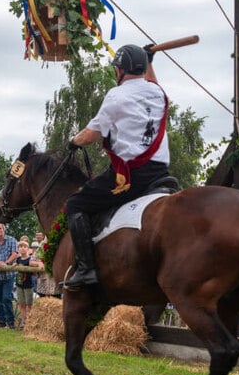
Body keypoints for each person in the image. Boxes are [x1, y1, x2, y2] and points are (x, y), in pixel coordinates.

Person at [63, 44, 172, 290]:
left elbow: (91, 134)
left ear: (120, 70)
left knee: (75, 204)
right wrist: (150, 61)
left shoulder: (116, 95)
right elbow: (152, 82)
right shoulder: (158, 94)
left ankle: (86, 270)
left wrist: (72, 142)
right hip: (160, 171)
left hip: (131, 176)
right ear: (143, 69)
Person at [14, 240, 40, 328]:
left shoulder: (30, 259)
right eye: (20, 247)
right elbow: (15, 265)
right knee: (22, 304)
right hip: (19, 283)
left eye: (24, 247)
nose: (22, 248)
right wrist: (14, 265)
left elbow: (35, 272)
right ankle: (24, 320)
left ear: (28, 249)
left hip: (28, 284)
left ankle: (30, 321)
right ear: (18, 249)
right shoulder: (17, 259)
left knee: (29, 304)